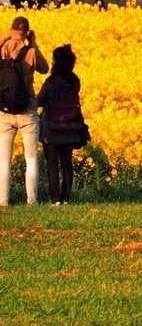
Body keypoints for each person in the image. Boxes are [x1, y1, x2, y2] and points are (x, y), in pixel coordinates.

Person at [0, 16, 49, 205]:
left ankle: (3, 201)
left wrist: (5, 39)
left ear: (11, 30)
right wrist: (33, 44)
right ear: (27, 32)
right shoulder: (31, 52)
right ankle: (32, 200)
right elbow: (45, 69)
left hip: (4, 111)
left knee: (4, 160)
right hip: (27, 110)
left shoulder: (2, 49)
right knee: (31, 158)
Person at [35, 43, 88, 205]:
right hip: (71, 127)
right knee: (67, 164)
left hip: (52, 129)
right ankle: (66, 198)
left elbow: (40, 100)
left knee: (52, 165)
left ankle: (55, 199)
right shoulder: (74, 81)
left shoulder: (51, 82)